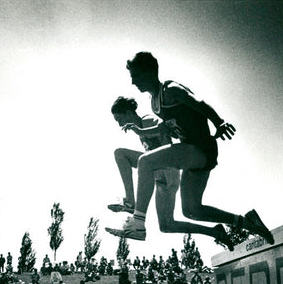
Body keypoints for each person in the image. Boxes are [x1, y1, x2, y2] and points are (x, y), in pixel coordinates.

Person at [107, 52, 274, 248]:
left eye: (135, 75)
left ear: (149, 72)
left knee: (146, 161)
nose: (133, 82)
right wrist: (141, 130)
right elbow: (163, 127)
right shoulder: (154, 103)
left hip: (199, 147)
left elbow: (199, 103)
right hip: (193, 155)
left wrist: (219, 123)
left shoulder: (170, 90)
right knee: (191, 210)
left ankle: (138, 223)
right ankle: (247, 222)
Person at [105, 96, 232, 247]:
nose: (119, 124)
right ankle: (215, 232)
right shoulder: (138, 129)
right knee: (166, 226)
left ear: (128, 113)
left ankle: (131, 202)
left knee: (120, 154)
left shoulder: (148, 121)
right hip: (162, 176)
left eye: (119, 119)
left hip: (168, 172)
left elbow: (166, 142)